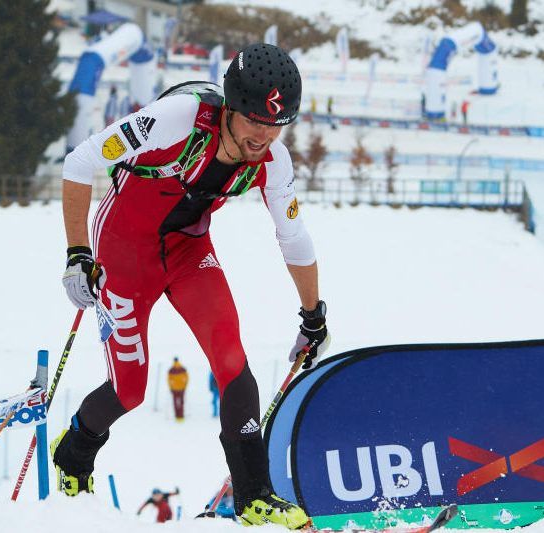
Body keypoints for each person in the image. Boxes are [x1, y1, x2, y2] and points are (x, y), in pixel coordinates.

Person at [52, 43, 330, 530]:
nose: (263, 136)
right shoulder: (175, 119)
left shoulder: (274, 161)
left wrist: (314, 315)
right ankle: (73, 456)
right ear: (231, 106)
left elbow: (294, 238)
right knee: (131, 390)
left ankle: (254, 497)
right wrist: (79, 255)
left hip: (187, 249)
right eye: (254, 120)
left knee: (230, 355)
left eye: (276, 124)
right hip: (122, 253)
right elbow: (79, 162)